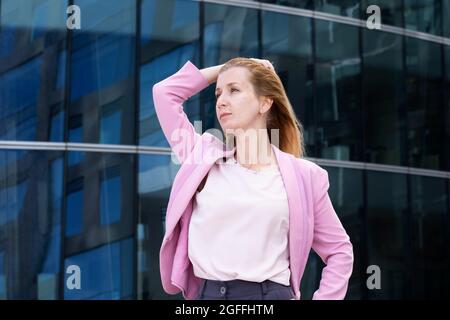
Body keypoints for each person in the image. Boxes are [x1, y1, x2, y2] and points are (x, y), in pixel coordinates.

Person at [153, 57, 353, 300]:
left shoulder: (304, 176)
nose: (221, 102)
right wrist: (227, 69)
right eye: (218, 93)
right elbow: (164, 93)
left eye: (234, 90)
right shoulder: (202, 158)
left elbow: (339, 251)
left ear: (265, 102)